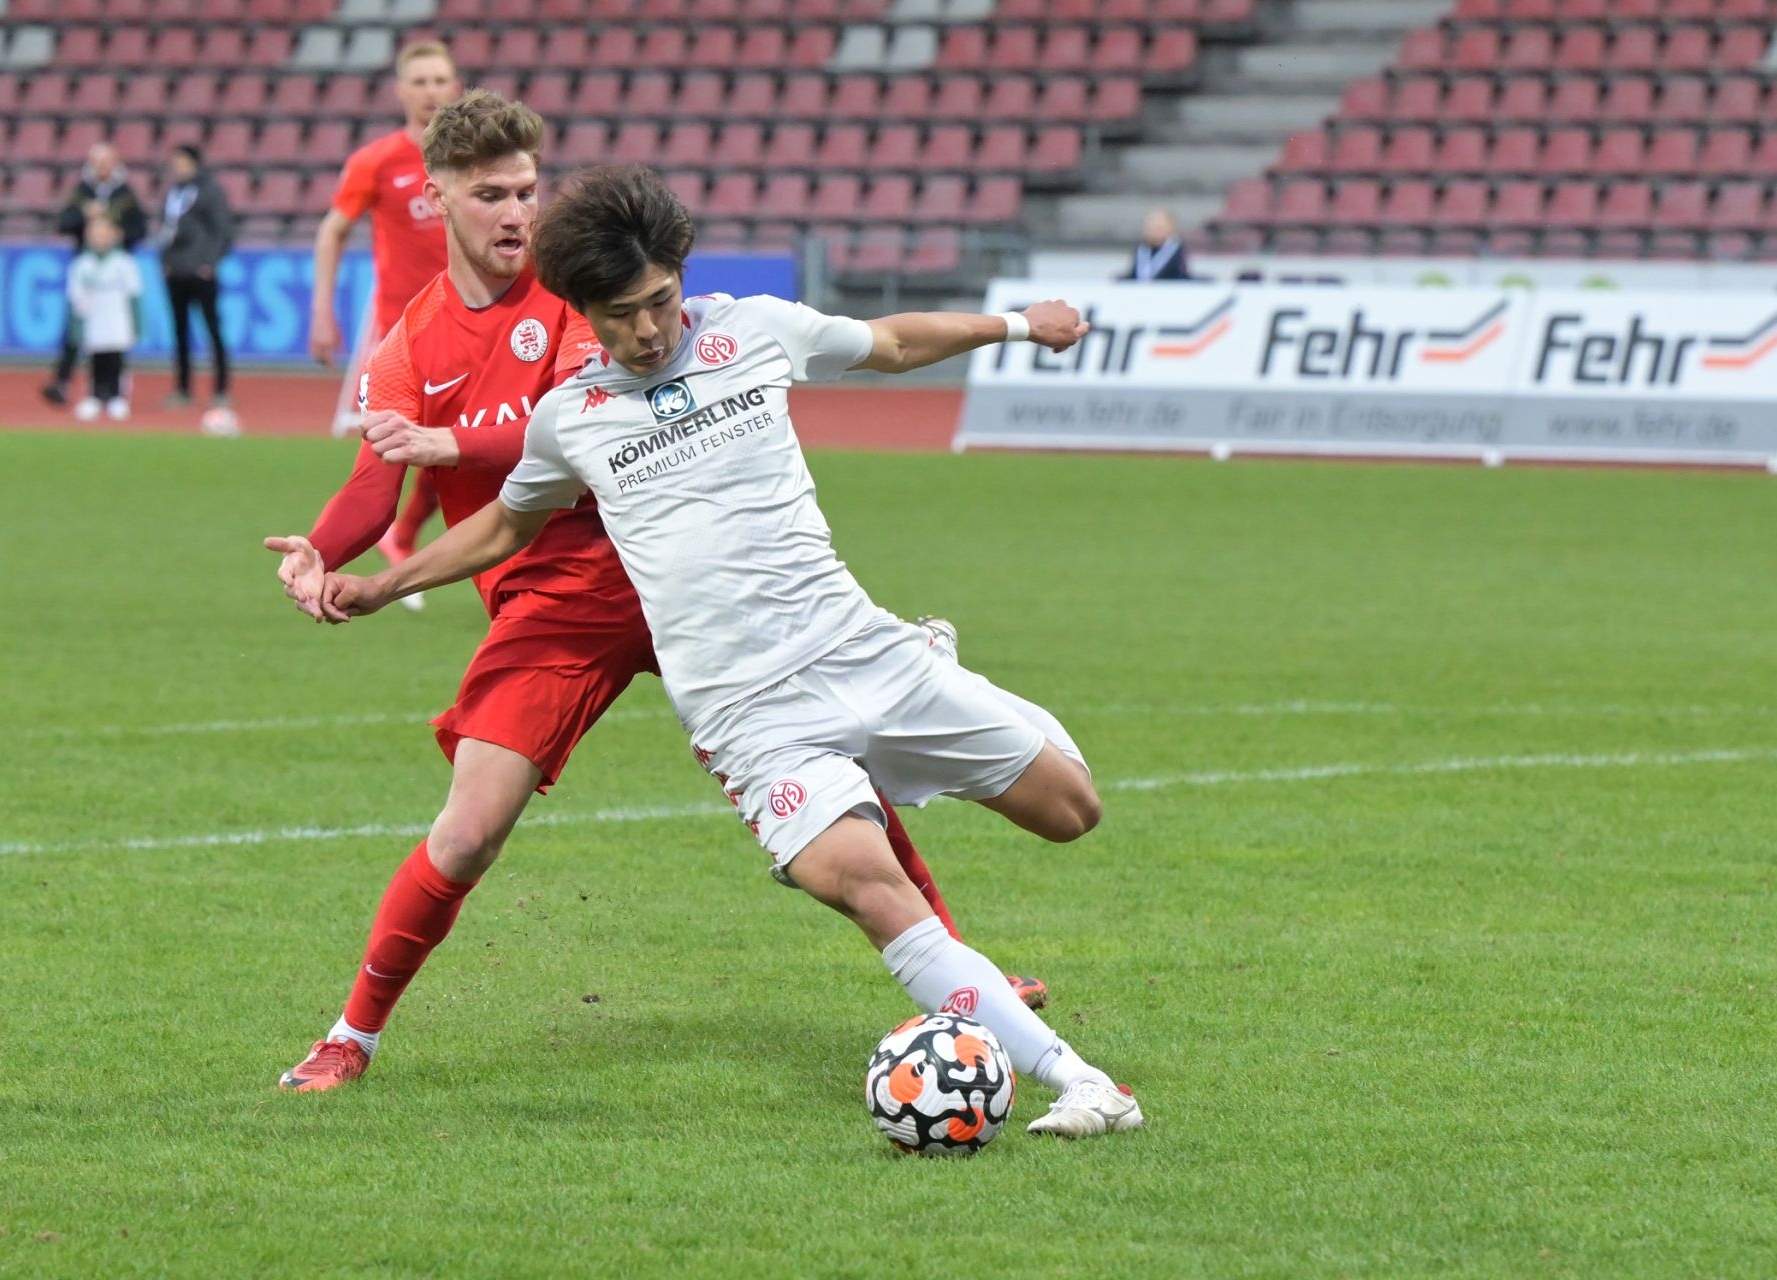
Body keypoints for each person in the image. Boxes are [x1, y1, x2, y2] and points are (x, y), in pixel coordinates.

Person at [316, 165, 1142, 1138]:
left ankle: (937, 663)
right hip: (751, 717)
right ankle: (1084, 1083)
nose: (651, 329)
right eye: (624, 315)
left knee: (1070, 808)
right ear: (584, 309)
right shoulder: (571, 417)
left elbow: (890, 343)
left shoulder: (751, 328)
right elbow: (502, 527)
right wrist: (377, 583)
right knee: (872, 889)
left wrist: (1013, 326)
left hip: (854, 645)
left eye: (663, 300)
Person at [310, 38, 461, 606]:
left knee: (469, 443)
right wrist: (323, 311)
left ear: (454, 86)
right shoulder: (377, 161)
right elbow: (332, 230)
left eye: (439, 80)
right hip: (407, 334)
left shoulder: (468, 161)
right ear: (401, 90)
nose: (430, 91)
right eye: (419, 81)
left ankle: (403, 538)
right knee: (404, 447)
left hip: (474, 325)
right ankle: (387, 539)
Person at [43, 141, 149, 406]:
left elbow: (140, 229)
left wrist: (117, 234)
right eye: (98, 163)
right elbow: (63, 223)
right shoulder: (82, 192)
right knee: (76, 325)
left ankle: (114, 388)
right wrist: (83, 215)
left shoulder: (125, 194)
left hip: (115, 270)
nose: (102, 168)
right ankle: (63, 381)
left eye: (107, 163)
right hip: (86, 268)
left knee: (114, 333)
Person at [157, 143, 235, 410]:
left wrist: (209, 263)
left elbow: (223, 230)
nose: (176, 167)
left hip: (200, 271)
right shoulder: (174, 193)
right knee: (180, 333)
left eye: (181, 162)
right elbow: (166, 229)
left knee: (212, 330)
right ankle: (182, 389)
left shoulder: (210, 191)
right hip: (176, 270)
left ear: (194, 163)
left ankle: (221, 390)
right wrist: (165, 260)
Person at [65, 212, 142, 422]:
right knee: (95, 360)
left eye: (103, 234)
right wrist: (77, 325)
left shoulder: (124, 263)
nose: (99, 239)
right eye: (94, 234)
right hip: (94, 318)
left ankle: (117, 397)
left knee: (116, 359)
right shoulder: (82, 264)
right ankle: (95, 396)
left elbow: (134, 295)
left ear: (114, 235)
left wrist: (137, 324)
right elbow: (75, 297)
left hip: (118, 318)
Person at [1123, 207, 1191, 282]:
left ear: (1171, 228)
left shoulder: (1177, 251)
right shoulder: (1141, 250)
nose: (1154, 231)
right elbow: (1135, 275)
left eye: (1159, 227)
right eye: (1151, 227)